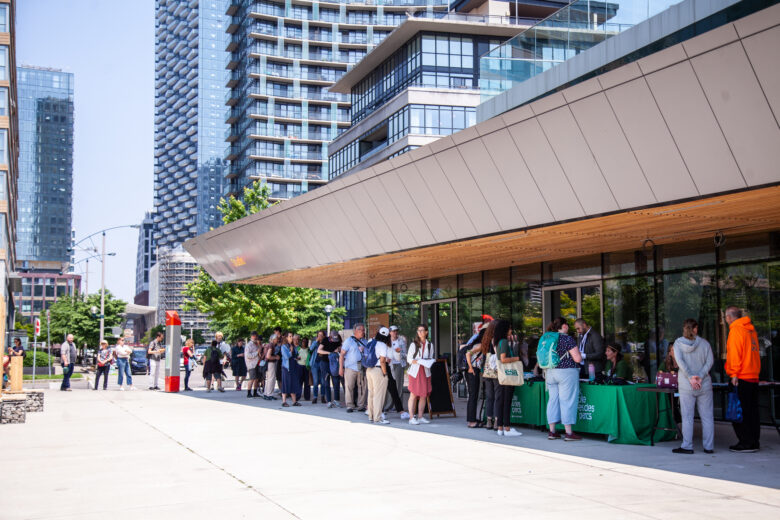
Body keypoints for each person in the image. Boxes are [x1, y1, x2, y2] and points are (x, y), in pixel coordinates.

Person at [671, 318, 714, 454]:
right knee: (707, 416)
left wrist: (691, 377)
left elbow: (680, 362)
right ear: (695, 329)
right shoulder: (705, 344)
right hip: (704, 383)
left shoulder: (678, 344)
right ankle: (709, 446)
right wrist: (700, 376)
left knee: (687, 416)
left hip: (686, 385)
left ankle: (687, 445)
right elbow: (710, 361)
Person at [724, 306, 761, 453]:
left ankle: (745, 442)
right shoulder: (751, 330)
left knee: (739, 411)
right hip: (753, 375)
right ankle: (754, 441)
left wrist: (733, 374)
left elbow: (734, 353)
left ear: (728, 317)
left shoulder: (736, 330)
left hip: (741, 376)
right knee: (752, 411)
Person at [545, 317, 583, 441]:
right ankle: (569, 433)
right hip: (566, 372)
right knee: (567, 401)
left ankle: (552, 431)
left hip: (550, 372)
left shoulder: (548, 338)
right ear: (564, 326)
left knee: (553, 400)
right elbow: (577, 359)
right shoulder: (567, 339)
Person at [495, 321, 522, 437]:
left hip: (501, 375)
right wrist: (516, 358)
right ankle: (507, 428)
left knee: (501, 401)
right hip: (508, 375)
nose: (511, 331)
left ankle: (500, 427)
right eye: (510, 328)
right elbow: (503, 359)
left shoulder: (499, 342)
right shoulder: (505, 342)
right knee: (507, 402)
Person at [407, 324, 434, 425]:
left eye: (422, 330)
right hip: (415, 371)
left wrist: (428, 361)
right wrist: (419, 361)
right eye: (418, 331)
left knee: (423, 395)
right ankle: (411, 417)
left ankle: (420, 416)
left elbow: (430, 357)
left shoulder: (430, 345)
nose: (420, 332)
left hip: (425, 371)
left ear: (426, 332)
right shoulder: (413, 344)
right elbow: (409, 359)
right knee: (413, 394)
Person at [366, 326, 392, 424]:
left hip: (369, 370)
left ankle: (371, 416)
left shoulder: (371, 342)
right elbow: (382, 361)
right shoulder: (382, 345)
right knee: (379, 395)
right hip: (377, 370)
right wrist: (385, 374)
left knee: (371, 393)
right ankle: (377, 417)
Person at [340, 323, 368, 413]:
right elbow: (342, 355)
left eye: (364, 330)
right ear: (356, 331)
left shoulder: (365, 341)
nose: (363, 332)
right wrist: (341, 368)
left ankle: (361, 405)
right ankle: (350, 405)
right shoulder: (349, 341)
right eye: (362, 330)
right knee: (349, 387)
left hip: (362, 367)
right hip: (350, 368)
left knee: (362, 387)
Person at [464, 326, 488, 428]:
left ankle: (473, 418)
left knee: (474, 395)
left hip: (475, 370)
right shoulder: (480, 345)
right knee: (473, 396)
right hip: (472, 370)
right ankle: (471, 421)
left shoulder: (479, 344)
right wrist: (470, 367)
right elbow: (468, 354)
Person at [384, 325, 407, 417]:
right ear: (389, 332)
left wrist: (399, 352)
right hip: (389, 365)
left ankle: (398, 406)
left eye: (396, 331)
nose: (395, 332)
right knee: (390, 385)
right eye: (393, 331)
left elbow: (404, 353)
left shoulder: (401, 341)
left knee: (399, 385)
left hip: (398, 364)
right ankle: (389, 405)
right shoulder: (386, 341)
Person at [318, 331, 342, 408]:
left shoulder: (338, 340)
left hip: (334, 363)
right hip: (325, 363)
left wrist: (338, 349)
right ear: (330, 337)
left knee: (336, 382)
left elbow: (341, 349)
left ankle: (336, 400)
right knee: (326, 382)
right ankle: (328, 401)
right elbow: (319, 350)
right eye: (333, 339)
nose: (334, 341)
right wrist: (330, 353)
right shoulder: (325, 340)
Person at [280, 332, 301, 407]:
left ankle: (294, 401)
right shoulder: (284, 346)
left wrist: (297, 357)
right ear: (286, 338)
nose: (291, 337)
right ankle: (284, 401)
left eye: (292, 336)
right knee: (286, 384)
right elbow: (286, 356)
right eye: (290, 336)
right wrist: (291, 351)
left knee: (293, 384)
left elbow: (294, 356)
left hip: (293, 367)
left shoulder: (292, 346)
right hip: (287, 368)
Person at [244, 331, 261, 398]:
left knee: (256, 379)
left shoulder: (256, 344)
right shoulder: (249, 345)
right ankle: (248, 392)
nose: (255, 338)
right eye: (254, 336)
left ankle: (255, 392)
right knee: (252, 378)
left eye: (256, 336)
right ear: (252, 336)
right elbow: (248, 355)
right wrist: (256, 353)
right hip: (251, 364)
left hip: (257, 363)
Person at [263, 334, 280, 400]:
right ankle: (269, 394)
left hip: (268, 363)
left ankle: (266, 393)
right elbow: (268, 356)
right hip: (271, 363)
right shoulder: (271, 345)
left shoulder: (268, 345)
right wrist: (276, 357)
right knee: (271, 379)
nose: (277, 340)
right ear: (273, 339)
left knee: (269, 379)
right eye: (276, 339)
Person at [310, 330, 325, 404]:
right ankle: (315, 397)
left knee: (323, 381)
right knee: (315, 382)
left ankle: (322, 396)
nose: (320, 337)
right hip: (315, 364)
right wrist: (316, 341)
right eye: (319, 335)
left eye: (321, 335)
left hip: (322, 363)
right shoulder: (315, 343)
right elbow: (310, 349)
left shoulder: (325, 343)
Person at [296, 335, 311, 401]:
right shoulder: (298, 349)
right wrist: (297, 358)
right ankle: (297, 396)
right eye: (303, 341)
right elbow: (294, 356)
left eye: (306, 341)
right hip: (299, 366)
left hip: (306, 367)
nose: (304, 342)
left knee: (307, 382)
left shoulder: (309, 349)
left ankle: (307, 397)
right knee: (299, 382)